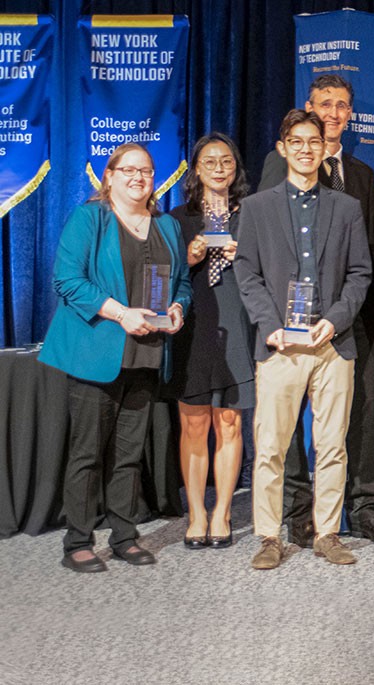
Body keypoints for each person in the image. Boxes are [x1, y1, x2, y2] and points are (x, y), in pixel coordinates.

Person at [40, 143, 191, 572]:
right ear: (109, 176)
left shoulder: (166, 226)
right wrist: (121, 313)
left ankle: (125, 535)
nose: (138, 178)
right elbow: (67, 280)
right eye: (128, 170)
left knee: (128, 453)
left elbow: (181, 283)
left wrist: (178, 308)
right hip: (97, 352)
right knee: (88, 451)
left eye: (145, 171)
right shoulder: (90, 218)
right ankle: (78, 541)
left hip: (147, 353)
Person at [234, 109, 372, 569]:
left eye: (314, 141)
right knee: (271, 446)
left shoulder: (346, 208)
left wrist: (334, 319)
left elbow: (359, 274)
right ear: (283, 148)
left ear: (323, 147)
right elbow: (247, 273)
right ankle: (269, 537)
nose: (306, 149)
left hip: (333, 344)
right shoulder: (256, 208)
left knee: (331, 444)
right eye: (297, 141)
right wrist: (269, 324)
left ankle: (328, 533)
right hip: (279, 346)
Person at [260, 74, 374, 546]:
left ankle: (363, 506)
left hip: (351, 316)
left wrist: (350, 311)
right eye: (324, 105)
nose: (334, 113)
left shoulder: (362, 175)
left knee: (358, 416)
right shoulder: (281, 168)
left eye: (341, 106)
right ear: (310, 108)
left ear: (350, 115)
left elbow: (368, 253)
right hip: (292, 323)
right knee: (293, 423)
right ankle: (299, 510)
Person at [167, 133, 256, 549]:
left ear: (235, 168)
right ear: (196, 169)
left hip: (239, 322)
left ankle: (222, 512)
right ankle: (196, 512)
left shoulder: (251, 214)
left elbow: (272, 271)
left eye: (227, 161)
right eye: (210, 162)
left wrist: (248, 256)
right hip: (196, 325)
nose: (219, 168)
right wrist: (189, 257)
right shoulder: (178, 218)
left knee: (230, 421)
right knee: (195, 422)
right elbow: (160, 277)